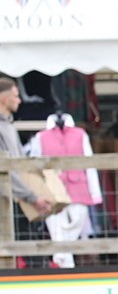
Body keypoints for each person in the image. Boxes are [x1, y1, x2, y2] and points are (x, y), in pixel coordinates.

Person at [0, 76, 54, 217]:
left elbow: (21, 163)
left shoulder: (9, 126)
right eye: (16, 96)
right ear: (4, 99)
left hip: (17, 198)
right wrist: (32, 197)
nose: (19, 100)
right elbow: (4, 168)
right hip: (6, 200)